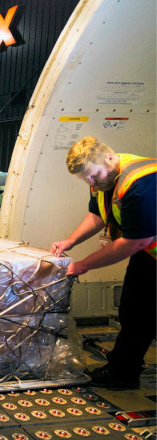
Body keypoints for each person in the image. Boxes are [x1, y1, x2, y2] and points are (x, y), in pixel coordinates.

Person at [51, 136, 156, 389]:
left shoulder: (141, 183)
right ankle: (122, 370)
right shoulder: (102, 179)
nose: (91, 183)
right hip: (150, 254)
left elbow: (135, 242)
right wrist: (71, 241)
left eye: (93, 176)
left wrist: (84, 264)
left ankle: (123, 371)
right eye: (86, 179)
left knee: (141, 311)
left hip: (145, 247)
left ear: (109, 158)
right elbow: (98, 214)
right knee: (134, 310)